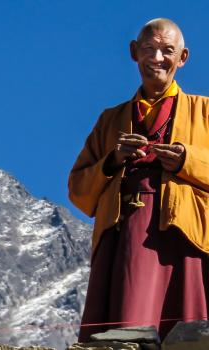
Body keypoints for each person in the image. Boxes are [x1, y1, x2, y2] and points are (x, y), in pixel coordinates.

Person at [68, 18, 209, 342]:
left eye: (167, 50)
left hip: (185, 234)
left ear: (183, 57)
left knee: (187, 329)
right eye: (149, 48)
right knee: (129, 320)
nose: (157, 58)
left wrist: (187, 160)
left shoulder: (205, 112)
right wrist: (112, 161)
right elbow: (78, 191)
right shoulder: (111, 120)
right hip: (127, 235)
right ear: (134, 52)